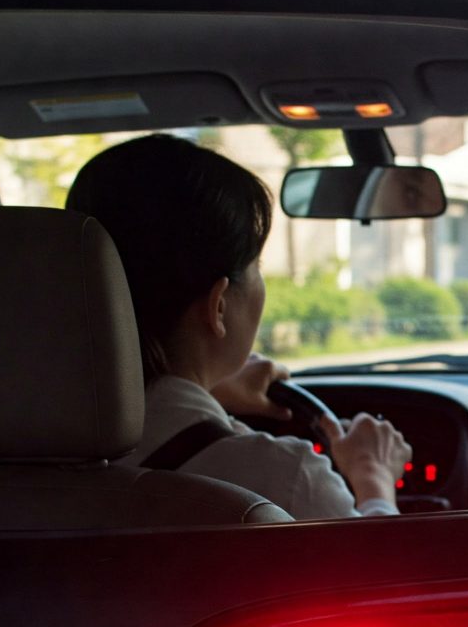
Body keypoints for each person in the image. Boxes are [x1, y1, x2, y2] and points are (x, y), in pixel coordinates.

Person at [66, 134, 410, 519]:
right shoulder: (285, 477)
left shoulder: (28, 447)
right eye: (256, 265)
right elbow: (380, 557)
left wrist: (208, 387)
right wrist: (373, 476)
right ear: (218, 305)